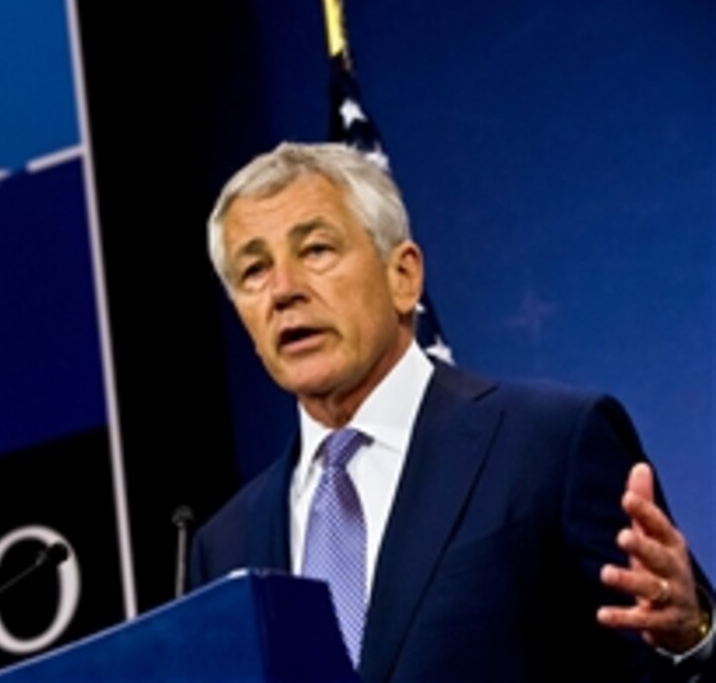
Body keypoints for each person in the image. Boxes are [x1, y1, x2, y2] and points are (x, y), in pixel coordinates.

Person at [188, 141, 714, 682]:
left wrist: (691, 639)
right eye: (253, 270)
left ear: (404, 276)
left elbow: (657, 648)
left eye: (316, 250)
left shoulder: (549, 444)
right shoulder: (222, 547)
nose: (283, 290)